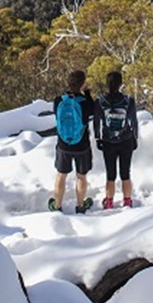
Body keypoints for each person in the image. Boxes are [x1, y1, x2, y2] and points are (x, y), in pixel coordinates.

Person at [49, 70, 95, 214]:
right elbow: (93, 110)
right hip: (82, 145)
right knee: (81, 176)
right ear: (83, 84)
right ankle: (80, 205)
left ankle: (57, 205)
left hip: (63, 144)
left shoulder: (58, 101)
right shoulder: (85, 103)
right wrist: (86, 93)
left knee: (61, 175)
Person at [94, 70, 139, 209]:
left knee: (110, 174)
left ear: (106, 84)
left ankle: (109, 201)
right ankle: (127, 201)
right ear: (121, 84)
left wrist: (98, 138)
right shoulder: (128, 100)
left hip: (108, 141)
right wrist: (135, 138)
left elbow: (97, 122)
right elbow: (133, 121)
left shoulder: (100, 101)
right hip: (126, 140)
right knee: (125, 173)